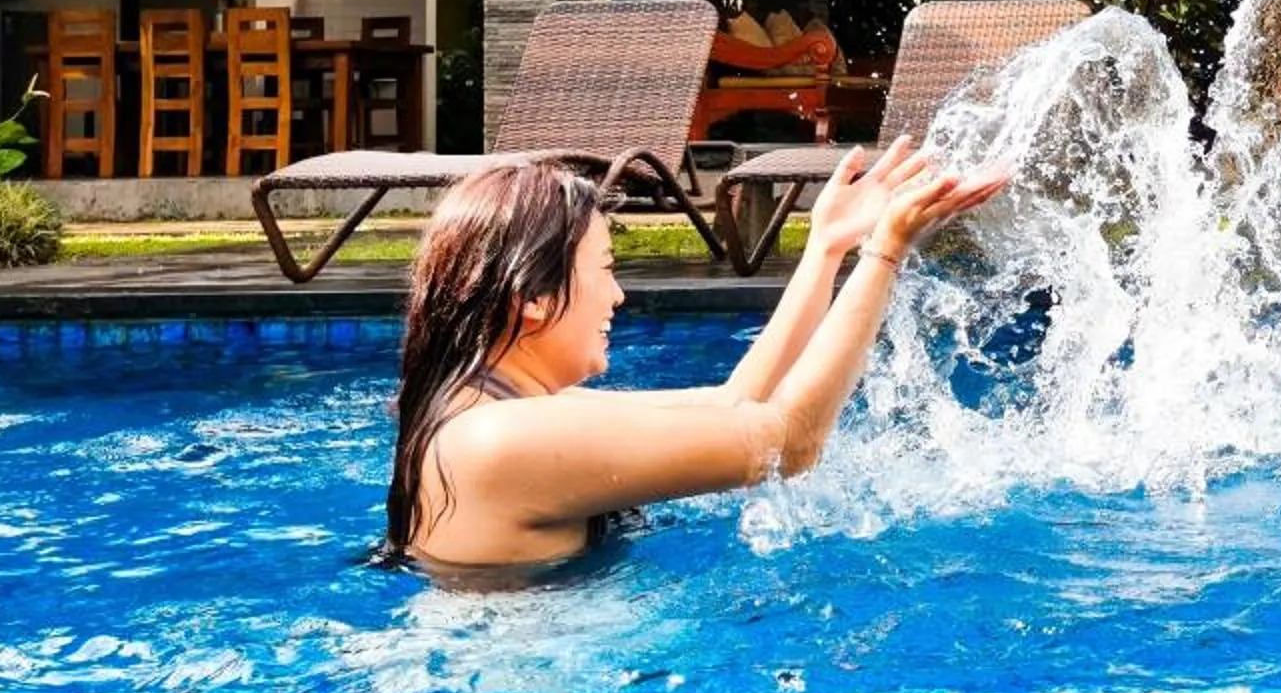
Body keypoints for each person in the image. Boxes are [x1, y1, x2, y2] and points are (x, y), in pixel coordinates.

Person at [385, 141, 1007, 574]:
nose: (619, 294)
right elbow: (788, 444)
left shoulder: (501, 410)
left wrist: (827, 248)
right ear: (536, 301)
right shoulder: (498, 440)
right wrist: (885, 254)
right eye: (604, 270)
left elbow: (735, 403)